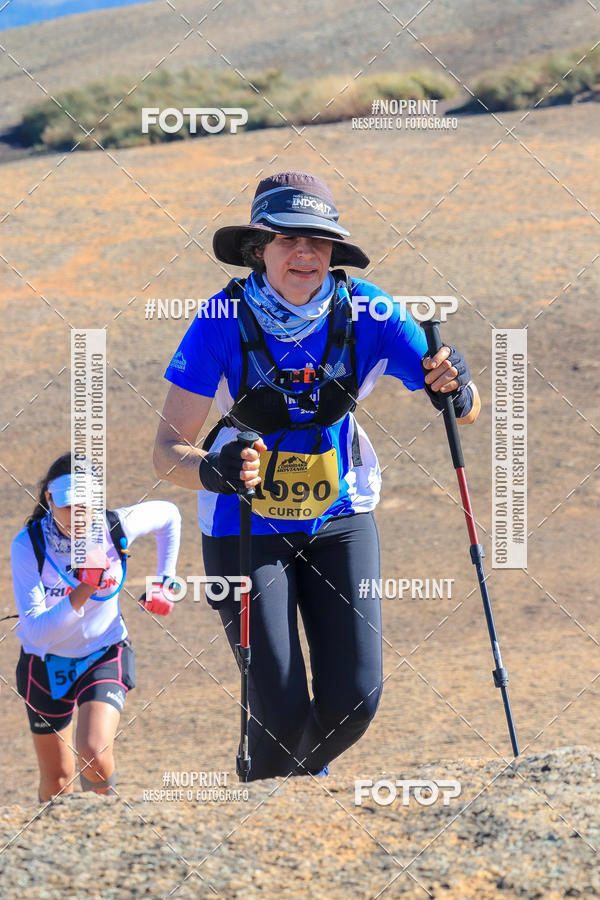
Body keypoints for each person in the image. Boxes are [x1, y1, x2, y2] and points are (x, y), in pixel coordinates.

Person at [154, 171, 480, 781]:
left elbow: (461, 401)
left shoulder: (371, 312)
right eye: (287, 240)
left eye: (319, 241)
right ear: (258, 249)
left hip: (340, 517)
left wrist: (455, 383)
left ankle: (276, 782)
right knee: (277, 706)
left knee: (356, 699)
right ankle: (279, 796)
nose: (305, 254)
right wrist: (215, 470)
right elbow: (167, 452)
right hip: (243, 525)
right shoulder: (220, 320)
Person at [11, 452, 182, 801]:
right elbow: (37, 632)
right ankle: (57, 847)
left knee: (94, 754)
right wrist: (86, 586)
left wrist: (166, 579)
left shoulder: (113, 527)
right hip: (44, 665)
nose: (78, 515)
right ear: (49, 500)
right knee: (58, 780)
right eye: (67, 505)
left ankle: (104, 828)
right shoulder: (28, 546)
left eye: (86, 504)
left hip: (104, 652)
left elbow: (169, 515)